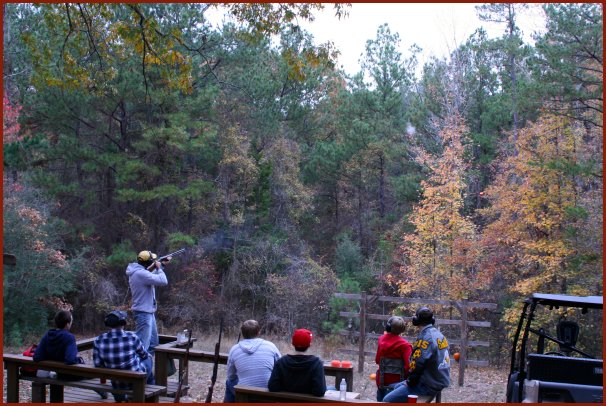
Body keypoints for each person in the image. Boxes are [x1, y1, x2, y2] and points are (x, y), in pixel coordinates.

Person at [383, 307, 450, 403]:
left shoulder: (425, 338)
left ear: (416, 320)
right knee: (395, 386)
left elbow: (417, 364)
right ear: (432, 320)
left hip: (427, 385)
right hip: (438, 380)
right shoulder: (439, 335)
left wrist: (410, 382)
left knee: (387, 400)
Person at [93, 310, 153, 402]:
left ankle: (121, 396)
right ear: (123, 323)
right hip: (135, 381)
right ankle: (149, 394)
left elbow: (98, 364)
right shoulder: (132, 337)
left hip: (116, 383)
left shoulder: (98, 340)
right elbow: (144, 355)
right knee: (149, 359)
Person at [224, 320, 282, 402]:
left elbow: (231, 376)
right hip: (268, 393)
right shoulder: (270, 346)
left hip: (244, 395)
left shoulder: (234, 349)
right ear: (258, 332)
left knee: (229, 382)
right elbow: (280, 367)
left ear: (242, 333)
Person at [127, 250, 170, 356]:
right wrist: (159, 268)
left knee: (153, 344)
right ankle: (138, 366)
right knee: (142, 346)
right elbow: (163, 281)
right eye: (152, 260)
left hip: (147, 312)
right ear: (148, 262)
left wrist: (162, 265)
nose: (154, 261)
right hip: (143, 313)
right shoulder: (140, 273)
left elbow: (150, 275)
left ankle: (147, 365)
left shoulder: (138, 272)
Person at [268, 328, 326, 397]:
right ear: (309, 345)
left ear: (292, 344)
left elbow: (272, 387)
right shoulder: (316, 363)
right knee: (332, 388)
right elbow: (320, 391)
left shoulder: (281, 362)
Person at [374, 315, 413, 401]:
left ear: (388, 327)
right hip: (398, 385)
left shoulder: (381, 340)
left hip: (382, 381)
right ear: (402, 329)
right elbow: (409, 367)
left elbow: (377, 360)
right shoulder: (406, 346)